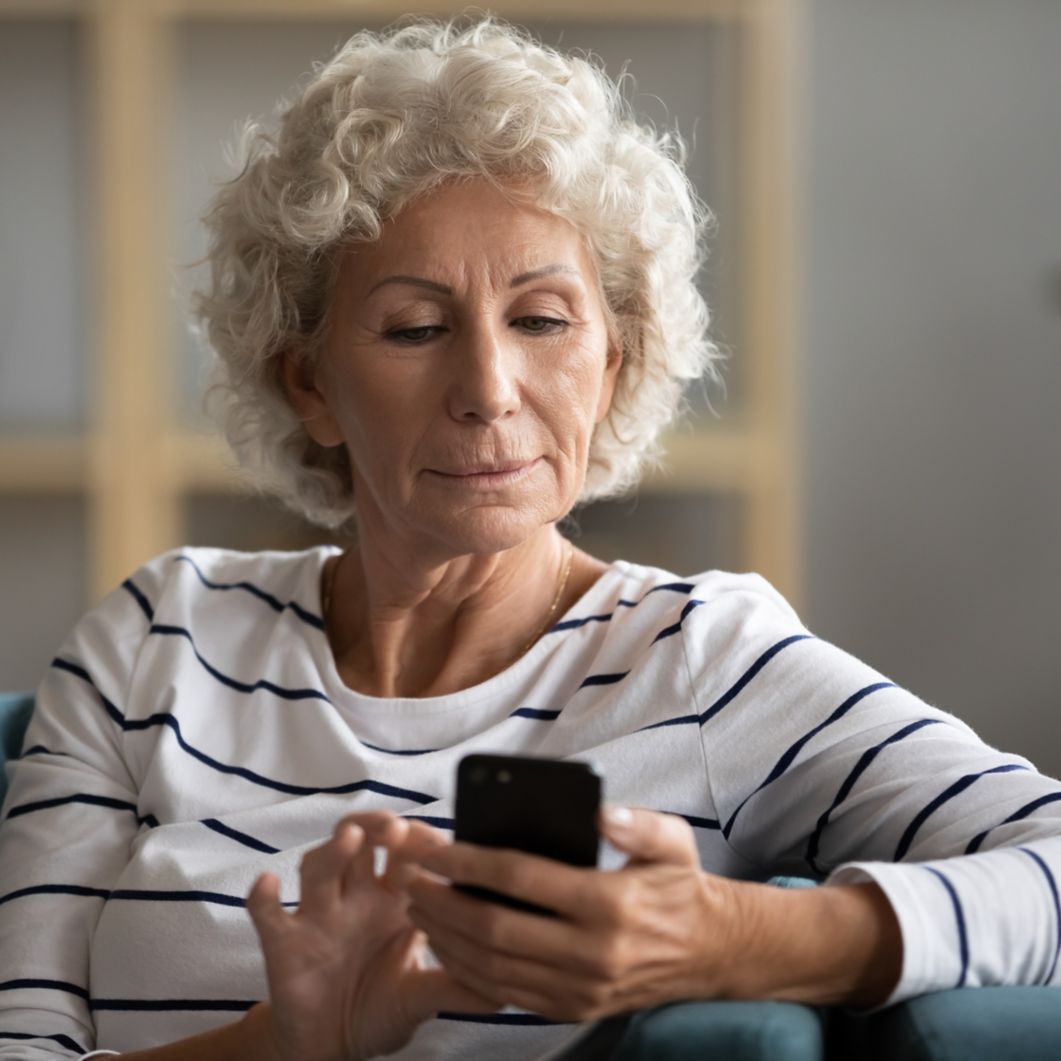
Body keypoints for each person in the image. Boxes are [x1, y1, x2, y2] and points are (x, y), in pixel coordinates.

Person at [1, 15, 1059, 1061]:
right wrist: (280, 1043)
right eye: (415, 328)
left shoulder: (698, 661)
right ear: (310, 381)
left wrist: (720, 938)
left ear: (611, 362)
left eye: (543, 319)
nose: (488, 391)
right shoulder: (157, 636)